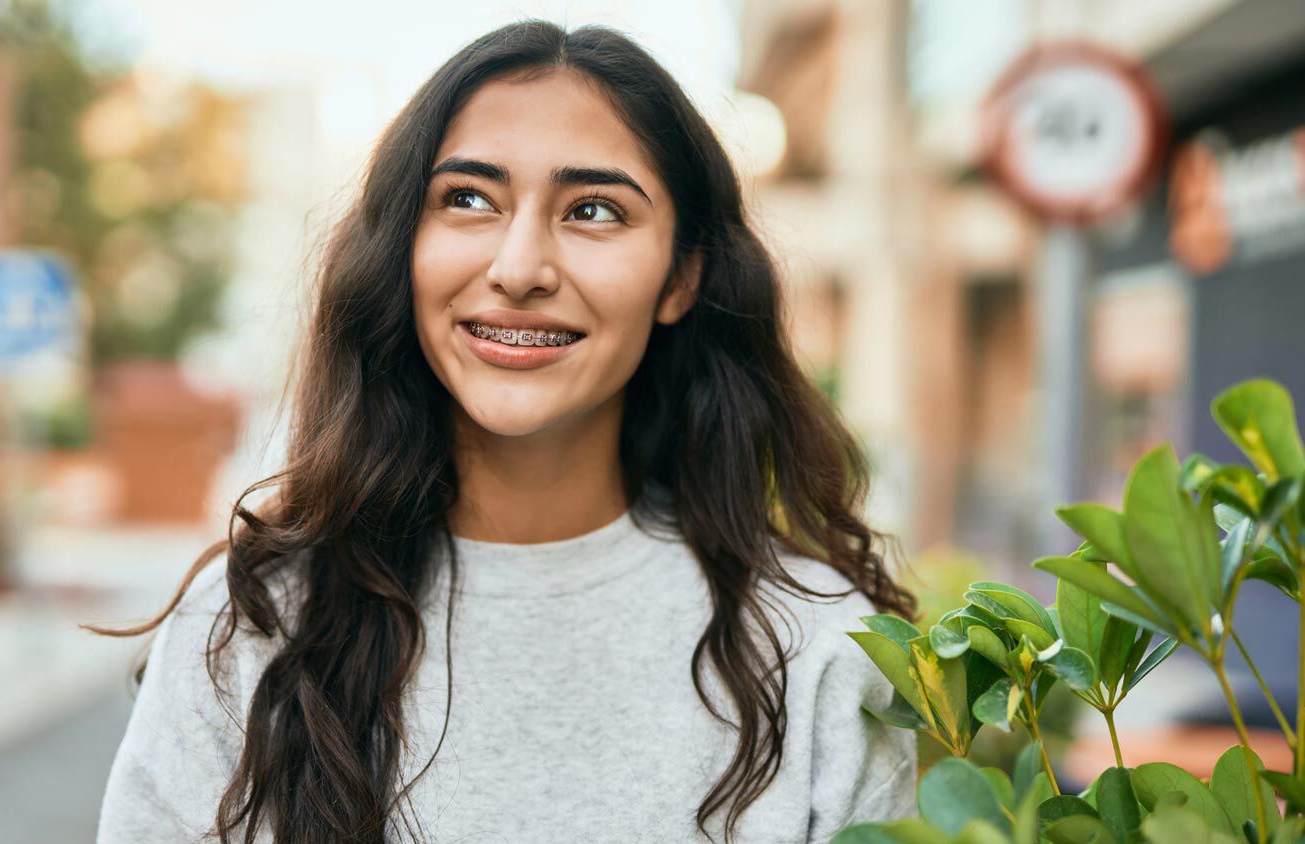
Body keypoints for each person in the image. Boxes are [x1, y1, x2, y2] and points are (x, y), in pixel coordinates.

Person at [92, 19, 919, 844]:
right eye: (468, 200)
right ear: (402, 250)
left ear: (683, 277)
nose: (519, 268)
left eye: (594, 210)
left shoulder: (818, 653)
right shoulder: (252, 630)